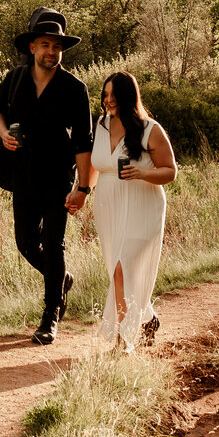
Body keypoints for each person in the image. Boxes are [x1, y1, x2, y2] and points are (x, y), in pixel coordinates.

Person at [0, 8, 94, 346]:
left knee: (53, 243)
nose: (52, 52)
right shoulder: (15, 78)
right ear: (33, 47)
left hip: (59, 176)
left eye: (57, 46)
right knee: (25, 243)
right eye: (46, 44)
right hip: (22, 175)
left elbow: (83, 142)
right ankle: (61, 279)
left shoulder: (74, 88)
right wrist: (3, 133)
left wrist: (84, 188)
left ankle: (51, 315)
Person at [87, 71, 177, 352]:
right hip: (108, 206)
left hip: (143, 205)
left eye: (115, 95)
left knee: (121, 269)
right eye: (105, 94)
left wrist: (142, 171)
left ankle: (124, 339)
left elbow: (170, 172)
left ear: (129, 97)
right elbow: (95, 166)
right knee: (118, 268)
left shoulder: (151, 129)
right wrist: (80, 192)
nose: (109, 100)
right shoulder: (101, 124)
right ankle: (147, 319)